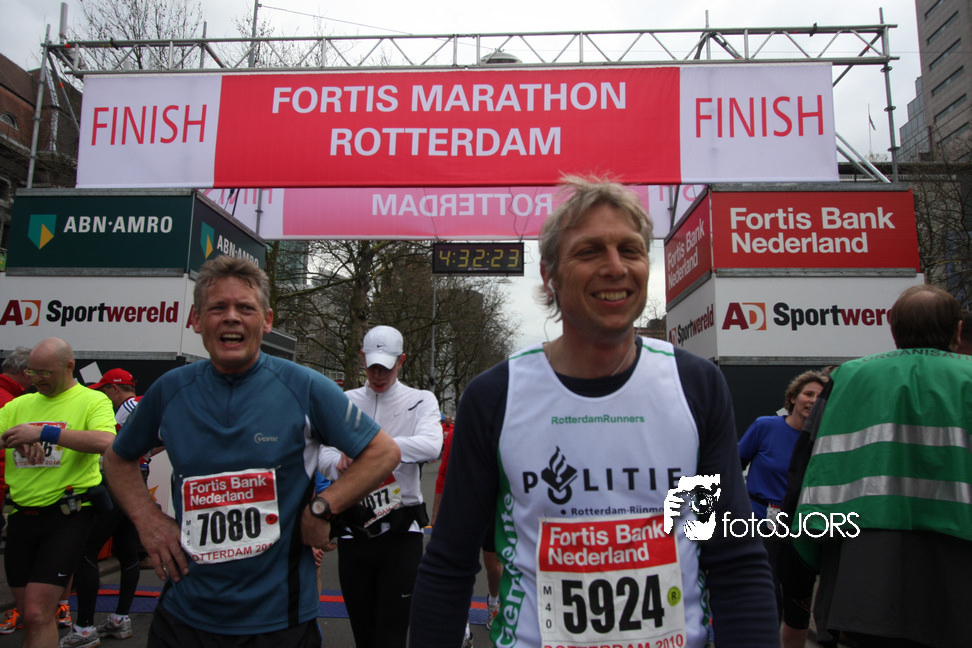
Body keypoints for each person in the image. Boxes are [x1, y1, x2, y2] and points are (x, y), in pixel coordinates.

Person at [410, 176, 778, 648]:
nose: (615, 267)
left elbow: (732, 556)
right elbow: (449, 562)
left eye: (630, 250)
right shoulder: (496, 396)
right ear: (550, 275)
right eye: (589, 252)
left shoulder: (694, 385)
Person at [102, 256, 401, 647]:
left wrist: (322, 507)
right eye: (217, 308)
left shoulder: (305, 387)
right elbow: (117, 458)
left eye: (245, 308)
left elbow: (382, 452)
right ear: (196, 320)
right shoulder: (170, 390)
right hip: (184, 615)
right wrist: (147, 520)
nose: (231, 317)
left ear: (267, 320)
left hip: (279, 619)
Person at [789, 284, 972, 647]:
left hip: (862, 569)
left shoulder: (849, 377)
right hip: (958, 568)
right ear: (957, 330)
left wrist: (797, 561)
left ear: (892, 327)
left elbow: (805, 466)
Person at [318, 325, 442, 648]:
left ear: (401, 360)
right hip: (354, 533)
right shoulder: (344, 401)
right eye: (372, 365)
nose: (378, 374)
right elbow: (321, 452)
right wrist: (337, 462)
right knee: (364, 636)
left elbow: (431, 444)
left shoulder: (421, 399)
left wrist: (372, 451)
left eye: (386, 367)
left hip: (400, 534)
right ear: (362, 358)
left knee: (391, 637)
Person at [0, 338, 117, 648]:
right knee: (29, 615)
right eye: (32, 372)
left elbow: (106, 442)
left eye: (45, 372)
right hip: (21, 515)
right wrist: (13, 438)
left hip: (68, 515)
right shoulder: (19, 405)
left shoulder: (91, 400)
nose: (37, 379)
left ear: (69, 366)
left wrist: (44, 432)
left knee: (38, 612)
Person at [59, 370, 145, 648]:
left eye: (104, 390)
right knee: (128, 551)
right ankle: (121, 619)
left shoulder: (128, 406)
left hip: (116, 482)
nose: (103, 396)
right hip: (136, 481)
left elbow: (106, 443)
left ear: (114, 389)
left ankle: (84, 628)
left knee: (87, 552)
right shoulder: (145, 403)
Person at [738, 370, 828, 620]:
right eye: (808, 394)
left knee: (798, 603)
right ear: (793, 398)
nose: (813, 400)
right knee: (767, 591)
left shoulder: (825, 439)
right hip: (760, 520)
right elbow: (733, 465)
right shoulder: (765, 426)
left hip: (800, 525)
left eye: (819, 396)